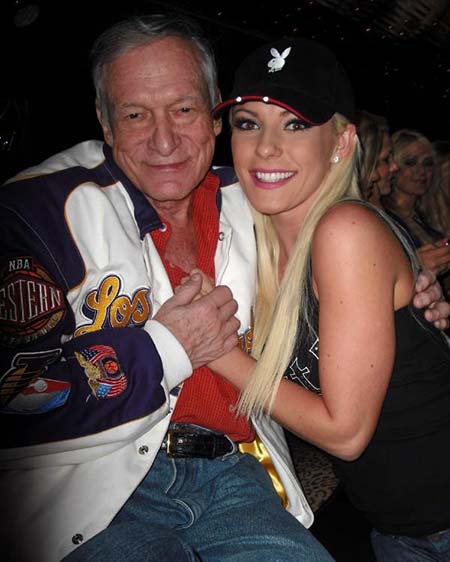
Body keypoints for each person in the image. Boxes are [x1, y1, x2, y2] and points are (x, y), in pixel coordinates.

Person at [0, 13, 339, 562]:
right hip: (89, 492)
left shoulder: (257, 202)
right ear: (106, 123)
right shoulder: (35, 211)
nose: (164, 140)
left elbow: (344, 255)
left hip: (234, 472)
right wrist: (166, 348)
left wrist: (403, 290)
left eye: (183, 110)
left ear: (214, 114)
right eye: (135, 114)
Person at [208, 37, 450, 562]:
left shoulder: (345, 231)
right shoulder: (255, 245)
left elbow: (346, 433)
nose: (266, 147)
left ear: (341, 142)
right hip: (399, 530)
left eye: (295, 124)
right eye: (248, 123)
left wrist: (217, 352)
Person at [356, 114, 450, 280]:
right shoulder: (365, 217)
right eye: (410, 162)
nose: (422, 171)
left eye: (428, 163)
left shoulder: (423, 214)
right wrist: (415, 265)